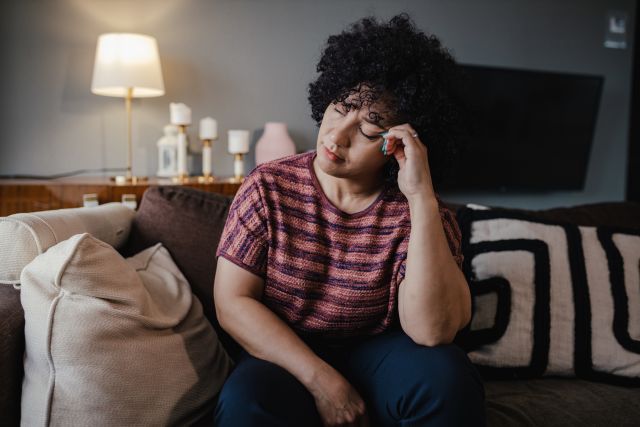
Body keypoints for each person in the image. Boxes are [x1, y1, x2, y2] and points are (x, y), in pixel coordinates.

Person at [213, 13, 486, 427]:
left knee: (447, 375)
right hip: (286, 351)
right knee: (244, 402)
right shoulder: (269, 186)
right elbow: (232, 303)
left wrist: (420, 198)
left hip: (380, 351)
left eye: (369, 128)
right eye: (339, 108)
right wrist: (323, 381)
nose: (337, 136)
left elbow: (433, 332)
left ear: (400, 141)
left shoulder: (419, 209)